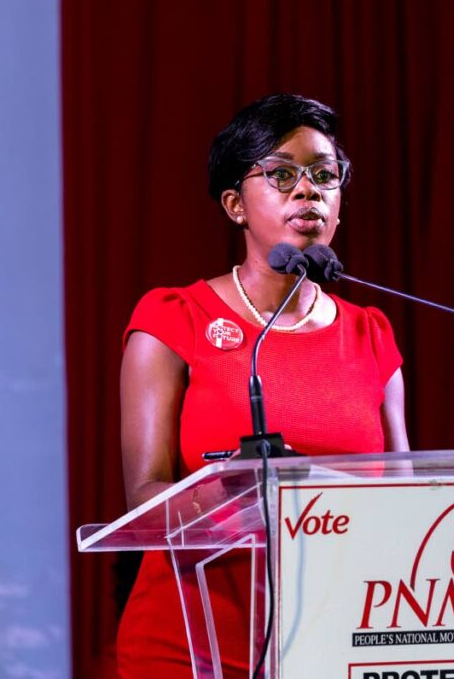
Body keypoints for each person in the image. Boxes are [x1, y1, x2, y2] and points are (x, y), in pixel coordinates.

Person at [115, 94, 409, 678]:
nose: (309, 191)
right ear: (235, 205)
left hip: (337, 643)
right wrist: (244, 492)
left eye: (326, 175)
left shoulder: (371, 334)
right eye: (281, 174)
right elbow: (144, 497)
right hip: (192, 644)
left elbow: (402, 498)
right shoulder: (175, 320)